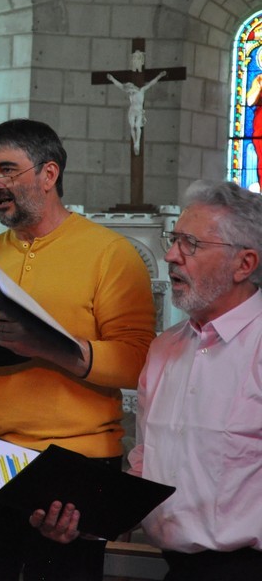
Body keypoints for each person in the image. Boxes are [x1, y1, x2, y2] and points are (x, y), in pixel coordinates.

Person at [0, 118, 155, 581]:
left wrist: (48, 347)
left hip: (71, 462)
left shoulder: (110, 254)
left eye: (7, 169)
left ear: (48, 174)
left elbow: (138, 362)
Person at [31, 180, 262, 580]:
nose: (172, 255)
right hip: (177, 568)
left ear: (245, 264)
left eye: (191, 244)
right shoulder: (164, 348)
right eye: (174, 240)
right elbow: (148, 467)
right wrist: (88, 520)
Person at [107, 70, 166, 155]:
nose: (130, 92)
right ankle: (135, 143)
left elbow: (151, 83)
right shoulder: (130, 93)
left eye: (130, 90)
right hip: (132, 111)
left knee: (137, 126)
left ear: (133, 87)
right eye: (128, 91)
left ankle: (137, 143)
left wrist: (159, 76)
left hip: (139, 112)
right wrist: (112, 79)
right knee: (132, 126)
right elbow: (120, 86)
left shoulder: (141, 91)